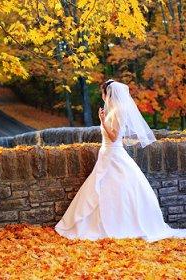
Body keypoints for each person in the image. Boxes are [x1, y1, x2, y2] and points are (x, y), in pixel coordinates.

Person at [54, 79, 186, 243]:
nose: (103, 96)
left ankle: (117, 224)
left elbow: (115, 136)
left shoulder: (118, 111)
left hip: (113, 155)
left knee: (113, 188)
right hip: (108, 153)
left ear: (107, 93)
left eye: (103, 93)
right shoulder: (115, 110)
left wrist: (102, 120)